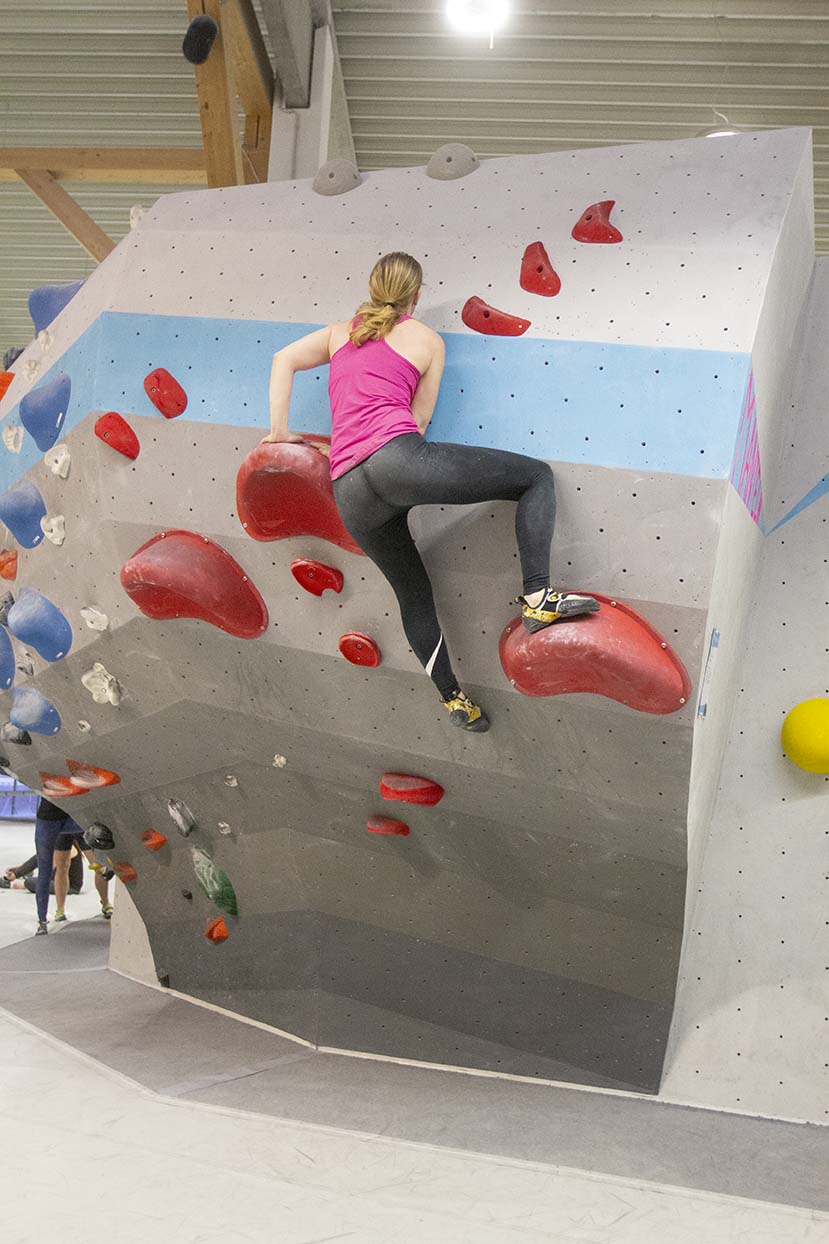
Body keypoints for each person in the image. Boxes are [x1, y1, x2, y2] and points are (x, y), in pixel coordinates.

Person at [262, 252, 598, 731]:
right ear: (415, 296)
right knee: (535, 476)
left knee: (413, 595)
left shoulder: (341, 333)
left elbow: (283, 359)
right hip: (398, 460)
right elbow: (417, 422)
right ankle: (538, 597)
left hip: (349, 491)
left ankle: (454, 700)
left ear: (373, 286)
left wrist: (280, 433)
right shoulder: (426, 340)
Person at [31, 797, 112, 935]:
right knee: (52, 868)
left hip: (75, 815)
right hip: (52, 817)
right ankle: (51, 915)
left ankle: (105, 902)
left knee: (98, 864)